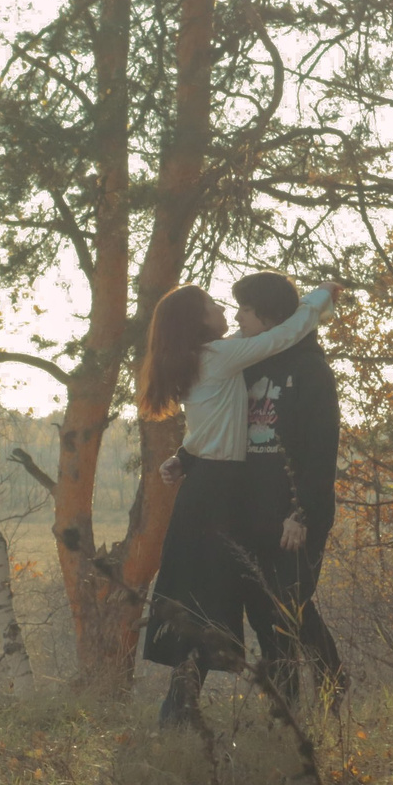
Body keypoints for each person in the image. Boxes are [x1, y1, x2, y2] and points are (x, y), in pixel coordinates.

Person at [136, 276, 341, 728]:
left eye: (243, 308)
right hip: (221, 497)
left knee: (258, 600)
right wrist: (320, 295)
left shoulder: (249, 361)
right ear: (198, 322)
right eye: (217, 305)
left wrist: (185, 457)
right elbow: (286, 333)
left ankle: (321, 689)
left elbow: (220, 425)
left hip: (236, 498)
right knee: (210, 600)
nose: (231, 314)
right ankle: (183, 708)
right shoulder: (228, 357)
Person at [229, 271, 346, 711]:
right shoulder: (247, 363)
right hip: (252, 511)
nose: (237, 317)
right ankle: (287, 706)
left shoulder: (311, 370)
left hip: (297, 513)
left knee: (289, 601)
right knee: (262, 610)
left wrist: (301, 513)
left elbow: (321, 448)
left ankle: (333, 684)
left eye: (245, 308)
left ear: (270, 314)